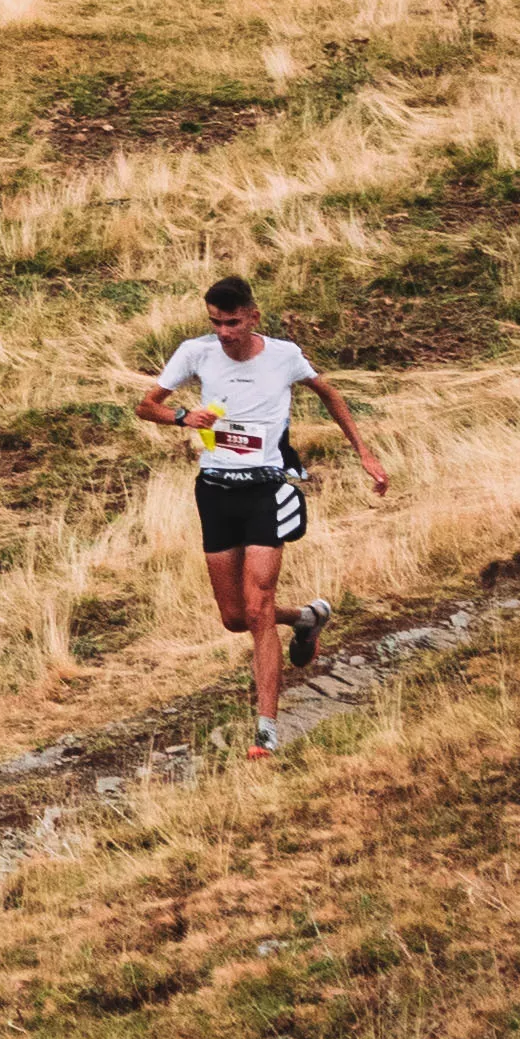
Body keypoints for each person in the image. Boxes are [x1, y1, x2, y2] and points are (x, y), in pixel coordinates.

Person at [138, 273, 387, 758]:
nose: (225, 333)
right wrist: (183, 417)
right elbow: (145, 406)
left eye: (233, 322)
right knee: (236, 618)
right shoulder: (195, 352)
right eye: (216, 323)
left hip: (266, 490)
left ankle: (266, 730)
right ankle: (307, 618)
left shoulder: (285, 355)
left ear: (254, 316)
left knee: (258, 607)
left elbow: (329, 394)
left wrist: (365, 453)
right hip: (214, 493)